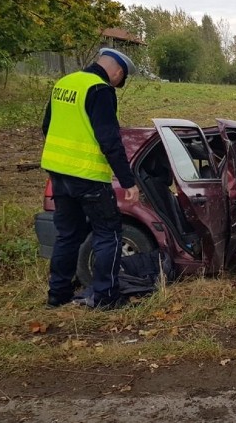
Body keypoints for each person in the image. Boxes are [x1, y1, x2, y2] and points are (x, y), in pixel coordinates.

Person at [40, 48, 140, 309]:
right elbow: (110, 140)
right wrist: (128, 181)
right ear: (117, 72)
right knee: (108, 234)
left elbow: (46, 126)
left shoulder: (65, 83)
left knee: (67, 235)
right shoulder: (100, 89)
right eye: (120, 79)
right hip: (88, 176)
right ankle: (107, 298)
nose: (117, 84)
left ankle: (57, 295)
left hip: (58, 174)